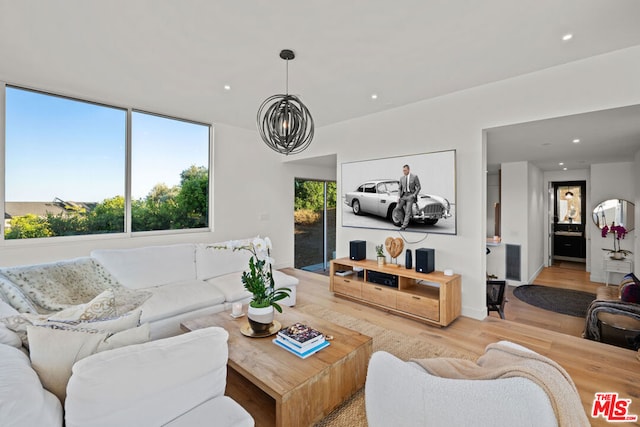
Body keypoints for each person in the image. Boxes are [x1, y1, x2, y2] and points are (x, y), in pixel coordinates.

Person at [397, 164, 421, 230]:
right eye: (403, 170)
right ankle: (402, 222)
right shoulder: (402, 178)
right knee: (397, 208)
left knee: (408, 211)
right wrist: (398, 196)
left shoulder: (414, 176)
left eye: (405, 170)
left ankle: (404, 226)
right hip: (403, 196)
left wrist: (414, 195)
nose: (404, 172)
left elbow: (419, 187)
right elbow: (399, 188)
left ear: (408, 170)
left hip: (410, 196)